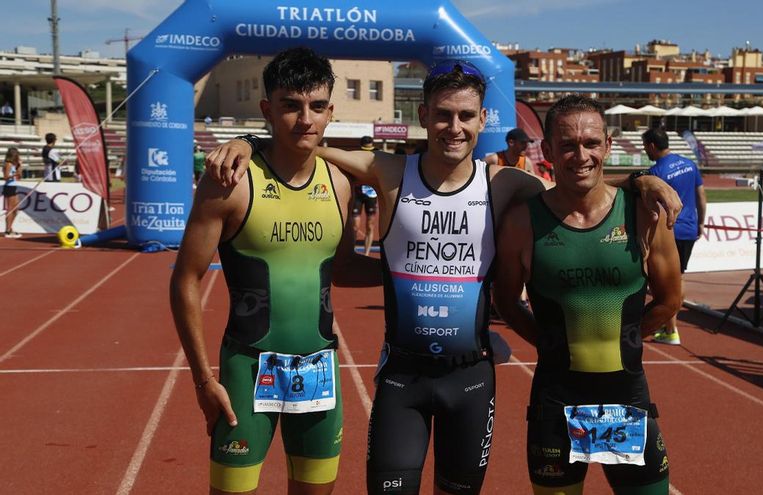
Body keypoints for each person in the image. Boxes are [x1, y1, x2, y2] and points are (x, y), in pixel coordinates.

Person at [206, 60, 682, 495]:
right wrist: (249, 142)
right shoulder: (389, 171)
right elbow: (308, 143)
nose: (454, 127)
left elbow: (581, 183)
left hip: (470, 381)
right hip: (402, 380)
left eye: (466, 116)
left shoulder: (504, 184)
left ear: (481, 122)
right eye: (443, 115)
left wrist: (643, 180)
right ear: (423, 115)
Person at [170, 47, 378, 495]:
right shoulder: (230, 181)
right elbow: (185, 279)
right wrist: (203, 381)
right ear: (268, 109)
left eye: (317, 107)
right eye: (291, 106)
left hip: (322, 371)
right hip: (247, 371)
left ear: (330, 112)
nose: (306, 119)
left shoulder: (339, 184)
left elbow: (340, 269)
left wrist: (410, 273)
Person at [494, 95, 681, 495]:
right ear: (547, 150)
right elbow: (507, 302)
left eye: (591, 143)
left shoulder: (644, 214)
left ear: (608, 146)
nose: (581, 155)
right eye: (567, 144)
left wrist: (625, 338)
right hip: (556, 399)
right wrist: (550, 342)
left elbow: (670, 301)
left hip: (624, 398)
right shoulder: (521, 222)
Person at [642, 127, 707, 346]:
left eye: (645, 147)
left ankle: (671, 329)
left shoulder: (655, 172)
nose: (645, 151)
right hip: (688, 228)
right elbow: (701, 196)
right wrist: (701, 222)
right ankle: (669, 326)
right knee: (679, 276)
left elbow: (651, 208)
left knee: (664, 281)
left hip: (669, 231)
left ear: (652, 145)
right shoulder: (689, 164)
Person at [351, 136, 379, 255]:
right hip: (358, 193)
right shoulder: (355, 157)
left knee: (370, 225)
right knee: (355, 226)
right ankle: (351, 252)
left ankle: (366, 253)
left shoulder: (377, 157)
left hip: (371, 195)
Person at [3, 147, 22, 238]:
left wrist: (20, 166)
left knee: (16, 209)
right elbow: (6, 177)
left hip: (14, 186)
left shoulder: (14, 165)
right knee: (10, 209)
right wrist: (14, 174)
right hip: (9, 187)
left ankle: (10, 228)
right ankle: (7, 230)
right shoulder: (8, 164)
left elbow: (20, 176)